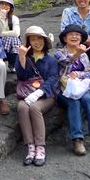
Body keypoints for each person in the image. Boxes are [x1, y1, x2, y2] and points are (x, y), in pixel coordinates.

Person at [55, 24, 90, 156]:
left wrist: (78, 75)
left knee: (88, 100)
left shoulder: (84, 56)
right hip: (63, 89)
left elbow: (89, 72)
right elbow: (64, 64)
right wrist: (76, 54)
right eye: (71, 34)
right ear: (65, 38)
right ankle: (77, 139)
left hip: (79, 87)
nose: (74, 36)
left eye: (77, 35)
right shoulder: (59, 53)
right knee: (74, 103)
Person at [15, 26, 58, 166]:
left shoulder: (51, 61)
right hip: (27, 94)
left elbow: (52, 79)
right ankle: (30, 146)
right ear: (28, 42)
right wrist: (21, 57)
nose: (36, 42)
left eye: (39, 38)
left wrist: (39, 93)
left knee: (34, 108)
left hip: (46, 96)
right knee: (22, 106)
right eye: (32, 39)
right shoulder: (24, 56)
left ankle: (40, 146)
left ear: (45, 41)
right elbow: (21, 76)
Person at [0, 0, 22, 73]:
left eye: (7, 4)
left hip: (10, 46)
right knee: (2, 38)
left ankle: (12, 63)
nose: (4, 6)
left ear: (11, 7)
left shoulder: (14, 18)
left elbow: (16, 33)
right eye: (2, 4)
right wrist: (2, 17)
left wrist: (2, 34)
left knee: (14, 39)